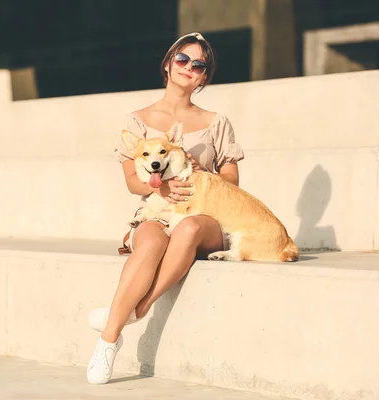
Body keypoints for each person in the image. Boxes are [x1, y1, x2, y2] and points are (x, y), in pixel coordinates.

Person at [86, 32, 245, 384]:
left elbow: (232, 177)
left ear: (205, 77)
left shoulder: (216, 122)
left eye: (199, 65)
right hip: (158, 209)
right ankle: (108, 343)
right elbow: (131, 182)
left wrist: (204, 176)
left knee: (187, 230)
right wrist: (164, 184)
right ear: (168, 63)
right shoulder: (137, 120)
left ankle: (134, 311)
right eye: (183, 59)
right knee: (150, 240)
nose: (189, 67)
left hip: (205, 216)